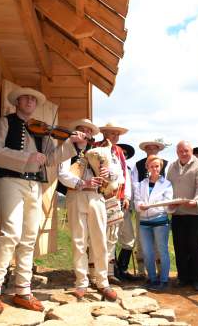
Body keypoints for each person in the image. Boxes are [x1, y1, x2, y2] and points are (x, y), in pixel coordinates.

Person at [0, 87, 85, 314]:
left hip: (35, 184)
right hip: (11, 180)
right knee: (10, 233)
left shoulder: (43, 130)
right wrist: (26, 157)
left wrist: (72, 144)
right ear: (17, 101)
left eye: (33, 99)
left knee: (29, 237)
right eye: (25, 97)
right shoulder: (5, 122)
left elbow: (51, 159)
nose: (29, 101)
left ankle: (23, 291)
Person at [58, 119, 117, 302]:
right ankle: (81, 282)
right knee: (79, 240)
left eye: (88, 130)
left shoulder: (102, 152)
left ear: (92, 134)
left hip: (97, 196)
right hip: (76, 195)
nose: (85, 132)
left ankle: (103, 282)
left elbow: (117, 174)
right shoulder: (68, 149)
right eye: (81, 129)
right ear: (76, 132)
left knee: (100, 239)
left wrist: (109, 174)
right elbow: (62, 173)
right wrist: (82, 183)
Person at [88, 122, 130, 284]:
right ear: (105, 133)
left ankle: (109, 271)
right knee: (96, 233)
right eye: (113, 133)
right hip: (97, 196)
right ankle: (93, 272)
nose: (116, 137)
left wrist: (125, 196)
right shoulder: (94, 148)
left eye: (117, 134)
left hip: (115, 196)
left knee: (112, 235)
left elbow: (123, 173)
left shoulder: (118, 151)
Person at [167, 141, 198, 291]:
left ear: (191, 151)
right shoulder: (171, 167)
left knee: (196, 246)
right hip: (178, 214)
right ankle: (183, 277)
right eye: (180, 151)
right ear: (177, 152)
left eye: (186, 150)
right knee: (180, 246)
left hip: (196, 213)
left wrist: (197, 201)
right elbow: (167, 188)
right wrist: (168, 204)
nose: (183, 153)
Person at [134, 155, 174, 291]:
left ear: (161, 167)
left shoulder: (167, 184)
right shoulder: (141, 184)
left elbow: (167, 202)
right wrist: (141, 206)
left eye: (157, 166)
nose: (154, 168)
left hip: (160, 221)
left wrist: (150, 206)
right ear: (147, 167)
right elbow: (137, 202)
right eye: (152, 166)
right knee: (147, 252)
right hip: (144, 222)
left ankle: (163, 279)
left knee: (162, 251)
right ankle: (152, 278)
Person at [131, 140, 169, 277]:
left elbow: (168, 185)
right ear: (145, 150)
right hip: (142, 208)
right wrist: (139, 203)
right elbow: (134, 185)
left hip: (159, 212)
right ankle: (142, 271)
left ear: (159, 149)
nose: (152, 150)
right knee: (142, 241)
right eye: (149, 148)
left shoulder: (166, 164)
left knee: (159, 243)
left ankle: (160, 271)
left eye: (155, 148)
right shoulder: (138, 165)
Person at [115, 143, 142, 281]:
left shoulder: (130, 170)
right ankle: (111, 272)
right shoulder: (108, 167)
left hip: (125, 209)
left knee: (130, 240)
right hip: (109, 207)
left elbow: (131, 190)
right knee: (110, 240)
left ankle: (122, 269)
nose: (123, 155)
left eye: (125, 154)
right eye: (121, 153)